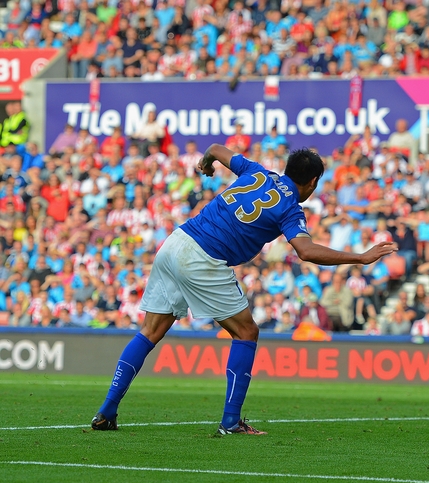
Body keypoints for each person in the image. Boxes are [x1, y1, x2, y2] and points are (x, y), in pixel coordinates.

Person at [90, 145, 398, 435]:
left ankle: (107, 411)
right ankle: (231, 421)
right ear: (313, 182)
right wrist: (360, 257)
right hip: (204, 257)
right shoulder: (290, 207)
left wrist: (206, 163)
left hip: (176, 242)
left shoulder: (256, 171)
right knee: (246, 332)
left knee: (150, 331)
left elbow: (216, 149)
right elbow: (305, 251)